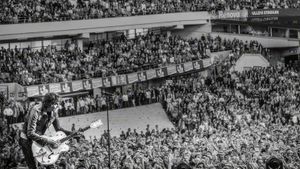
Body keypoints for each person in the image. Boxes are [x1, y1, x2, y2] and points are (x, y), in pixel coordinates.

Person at [19, 93, 74, 169]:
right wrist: (48, 141)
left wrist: (72, 133)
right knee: (33, 166)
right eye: (56, 104)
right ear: (50, 104)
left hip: (39, 139)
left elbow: (58, 128)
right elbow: (30, 133)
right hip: (27, 140)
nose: (58, 106)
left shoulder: (54, 112)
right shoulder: (36, 110)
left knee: (48, 163)